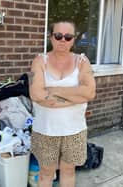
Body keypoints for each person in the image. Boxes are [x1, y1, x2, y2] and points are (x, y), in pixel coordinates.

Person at [29, 21, 96, 187]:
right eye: (58, 36)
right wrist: (76, 96)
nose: (63, 40)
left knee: (68, 171)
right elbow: (36, 94)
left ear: (73, 40)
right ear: (51, 37)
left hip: (74, 130)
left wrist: (53, 90)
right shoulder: (40, 61)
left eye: (68, 37)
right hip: (45, 130)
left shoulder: (82, 62)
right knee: (45, 173)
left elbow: (89, 93)